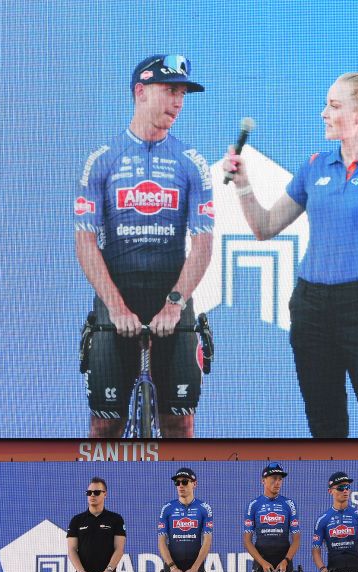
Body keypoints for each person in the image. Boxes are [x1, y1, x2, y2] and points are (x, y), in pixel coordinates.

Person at [222, 72, 358, 438]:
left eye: (334, 105)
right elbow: (265, 227)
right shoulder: (315, 166)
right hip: (312, 310)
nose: (324, 113)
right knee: (325, 427)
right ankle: (336, 495)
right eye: (326, 104)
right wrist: (243, 183)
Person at [76, 54, 213, 438]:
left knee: (180, 423)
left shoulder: (191, 163)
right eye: (170, 91)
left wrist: (175, 303)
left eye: (182, 93)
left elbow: (203, 242)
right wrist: (115, 306)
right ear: (140, 91)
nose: (178, 102)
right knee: (105, 425)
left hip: (172, 294)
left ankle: (180, 499)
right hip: (116, 293)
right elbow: (84, 239)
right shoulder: (101, 160)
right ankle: (98, 498)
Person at [243, 462, 301, 572]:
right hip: (262, 562)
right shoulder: (254, 505)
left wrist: (286, 560)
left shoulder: (288, 504)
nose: (278, 482)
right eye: (274, 479)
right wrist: (261, 562)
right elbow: (247, 540)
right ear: (263, 481)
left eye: (280, 479)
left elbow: (297, 538)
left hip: (284, 561)